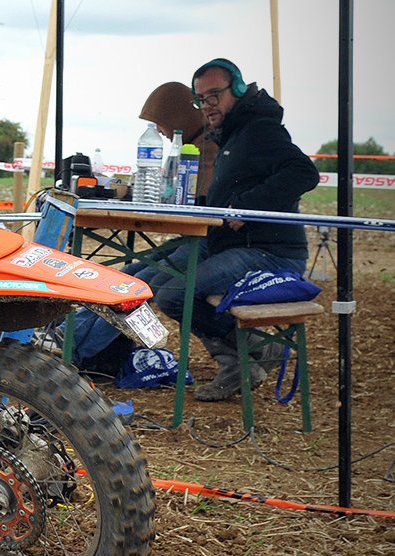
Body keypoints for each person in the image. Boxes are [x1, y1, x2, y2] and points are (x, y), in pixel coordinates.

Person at [66, 60, 319, 400]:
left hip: (269, 254)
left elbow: (304, 173)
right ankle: (249, 354)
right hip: (231, 245)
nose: (207, 105)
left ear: (238, 90)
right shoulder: (232, 133)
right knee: (150, 280)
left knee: (174, 294)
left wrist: (247, 206)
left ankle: (250, 353)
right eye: (201, 99)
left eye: (214, 95)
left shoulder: (260, 130)